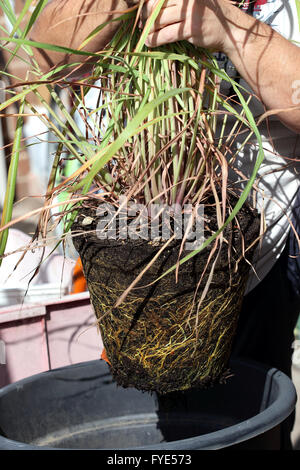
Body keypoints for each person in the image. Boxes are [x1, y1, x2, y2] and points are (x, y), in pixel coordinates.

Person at [31, 0, 300, 448]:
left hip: (257, 254)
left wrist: (226, 26)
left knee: (249, 427)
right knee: (140, 432)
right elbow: (40, 60)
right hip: (124, 256)